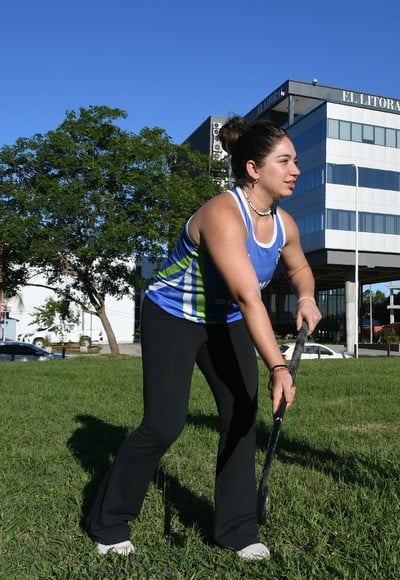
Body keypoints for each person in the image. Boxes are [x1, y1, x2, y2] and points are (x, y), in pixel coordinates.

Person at [86, 117, 322, 561]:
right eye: (285, 161)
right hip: (173, 315)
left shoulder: (283, 222)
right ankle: (109, 521)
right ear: (254, 168)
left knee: (240, 414)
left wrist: (307, 296)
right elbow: (249, 296)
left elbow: (299, 267)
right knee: (164, 424)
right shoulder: (221, 214)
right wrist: (277, 366)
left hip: (224, 318)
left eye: (296, 161)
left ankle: (237, 529)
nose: (296, 169)